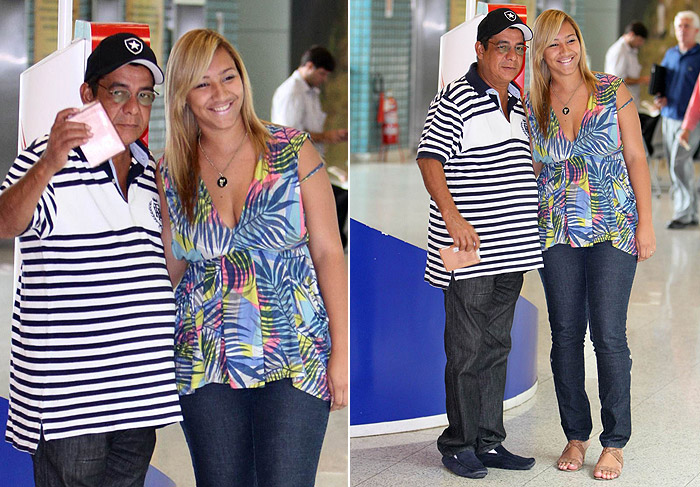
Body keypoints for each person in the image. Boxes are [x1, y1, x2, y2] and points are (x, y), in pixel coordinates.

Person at [158, 29, 348, 487]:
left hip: (295, 353)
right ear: (182, 93)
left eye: (228, 77)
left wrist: (342, 353)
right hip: (205, 358)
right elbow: (169, 268)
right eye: (203, 83)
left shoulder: (292, 150)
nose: (220, 93)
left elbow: (328, 252)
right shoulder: (171, 169)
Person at [0, 33, 182, 485]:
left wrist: (170, 210)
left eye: (144, 96)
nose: (133, 109)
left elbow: (166, 275)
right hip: (71, 402)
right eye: (118, 92)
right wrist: (47, 163)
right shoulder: (51, 158)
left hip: (138, 392)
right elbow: (5, 224)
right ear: (88, 95)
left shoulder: (148, 172)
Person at [526, 9, 656, 480]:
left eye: (571, 40)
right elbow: (531, 172)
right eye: (554, 44)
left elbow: (637, 156)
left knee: (608, 334)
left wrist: (646, 223)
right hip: (555, 231)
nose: (565, 51)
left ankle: (614, 442)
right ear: (540, 52)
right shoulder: (532, 103)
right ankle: (576, 434)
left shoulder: (611, 90)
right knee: (564, 336)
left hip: (613, 226)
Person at [416, 8, 543, 480]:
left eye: (519, 47)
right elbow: (430, 161)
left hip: (514, 247)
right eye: (502, 46)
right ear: (480, 50)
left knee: (495, 345)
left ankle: (490, 441)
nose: (512, 56)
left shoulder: (519, 101)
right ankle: (458, 444)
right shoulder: (455, 97)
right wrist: (453, 219)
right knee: (467, 349)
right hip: (469, 249)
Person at [271, 45, 348, 248]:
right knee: (334, 201)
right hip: (294, 165)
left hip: (310, 161)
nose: (323, 79)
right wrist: (326, 136)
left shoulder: (310, 92)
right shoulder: (291, 92)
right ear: (309, 66)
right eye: (322, 73)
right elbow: (289, 134)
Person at [654, 11, 700, 229]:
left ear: (696, 30)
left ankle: (684, 213)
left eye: (687, 26)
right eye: (679, 25)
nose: (682, 29)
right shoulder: (671, 54)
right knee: (680, 165)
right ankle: (690, 211)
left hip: (692, 121)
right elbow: (664, 83)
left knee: (678, 163)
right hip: (669, 116)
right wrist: (659, 98)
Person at [604, 21, 649, 102]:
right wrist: (642, 80)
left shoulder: (632, 50)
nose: (640, 44)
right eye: (639, 40)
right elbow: (618, 80)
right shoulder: (619, 50)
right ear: (631, 34)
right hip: (620, 103)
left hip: (630, 101)